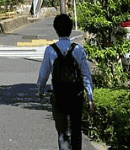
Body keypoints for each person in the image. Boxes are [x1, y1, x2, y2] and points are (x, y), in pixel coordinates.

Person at [37, 13, 94, 150]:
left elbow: (43, 74)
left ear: (56, 30)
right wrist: (90, 97)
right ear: (70, 29)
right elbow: (86, 74)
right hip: (76, 95)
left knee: (62, 133)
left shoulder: (50, 50)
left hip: (59, 95)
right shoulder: (78, 49)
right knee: (76, 129)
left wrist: (40, 90)